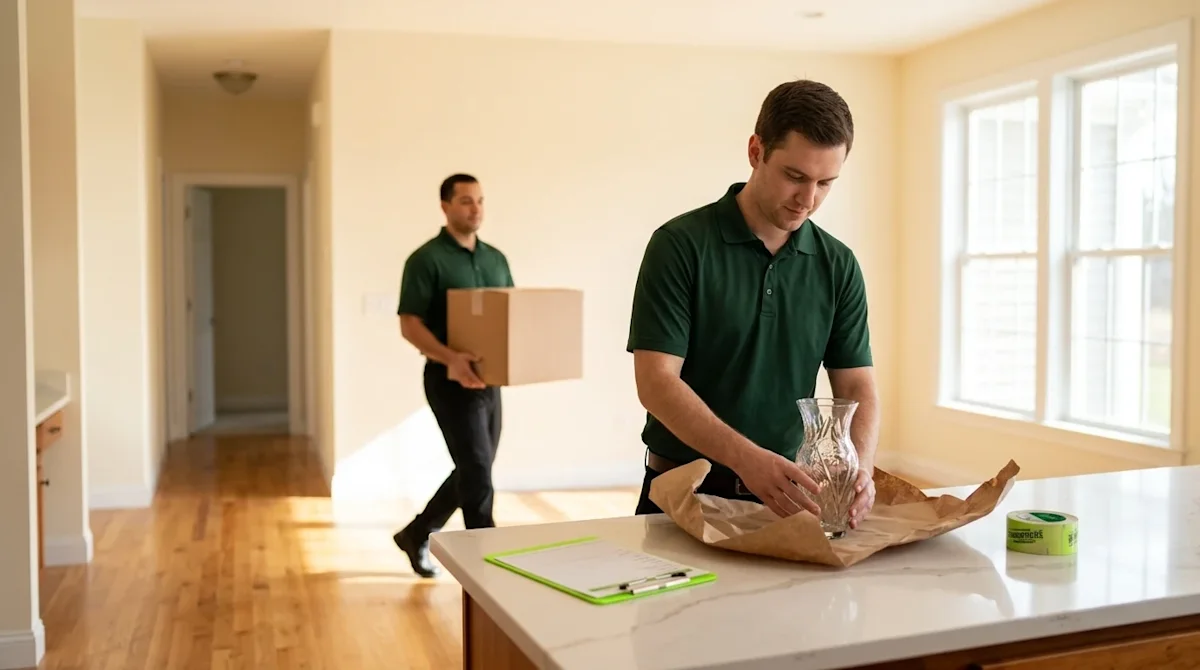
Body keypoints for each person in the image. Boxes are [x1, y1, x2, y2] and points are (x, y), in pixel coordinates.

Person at [626, 79, 880, 526]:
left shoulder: (838, 265)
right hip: (681, 497)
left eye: (826, 183)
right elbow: (655, 383)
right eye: (795, 177)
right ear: (755, 151)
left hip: (786, 498)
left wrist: (858, 466)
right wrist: (747, 459)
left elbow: (858, 385)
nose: (808, 199)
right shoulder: (679, 246)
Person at [392, 173, 514, 577]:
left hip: (490, 382)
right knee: (477, 469)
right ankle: (486, 563)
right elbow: (410, 324)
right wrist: (450, 359)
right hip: (448, 381)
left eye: (479, 200)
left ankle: (418, 532)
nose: (475, 208)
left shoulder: (496, 259)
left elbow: (510, 317)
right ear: (445, 206)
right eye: (465, 201)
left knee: (473, 468)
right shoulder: (426, 260)